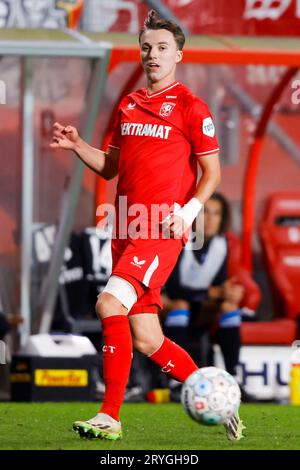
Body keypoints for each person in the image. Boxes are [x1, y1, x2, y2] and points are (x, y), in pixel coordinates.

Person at [50, 10, 244, 441]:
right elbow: (111, 168)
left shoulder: (192, 107)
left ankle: (110, 416)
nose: (152, 55)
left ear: (178, 54)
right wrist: (79, 145)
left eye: (161, 47)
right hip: (125, 229)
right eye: (146, 47)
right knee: (146, 338)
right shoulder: (129, 104)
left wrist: (187, 213)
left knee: (108, 304)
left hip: (161, 230)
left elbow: (211, 174)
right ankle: (222, 398)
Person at [162, 193, 261, 401]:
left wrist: (228, 293)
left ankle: (233, 379)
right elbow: (173, 288)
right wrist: (213, 293)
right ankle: (175, 382)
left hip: (198, 310)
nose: (210, 219)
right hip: (169, 310)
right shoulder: (181, 239)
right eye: (205, 212)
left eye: (217, 213)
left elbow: (219, 284)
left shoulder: (222, 244)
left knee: (229, 307)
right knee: (179, 304)